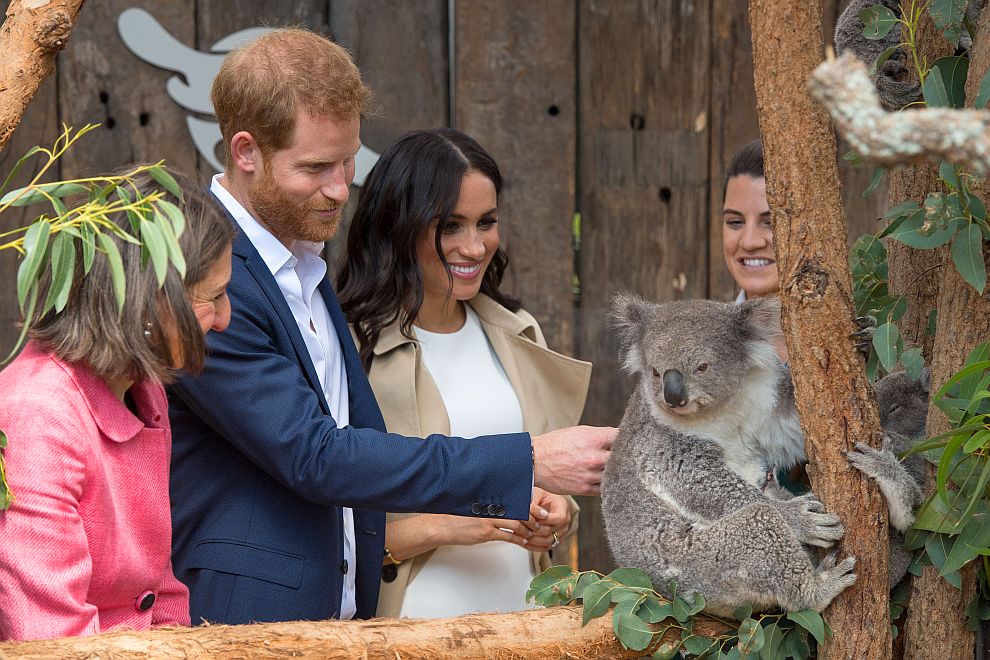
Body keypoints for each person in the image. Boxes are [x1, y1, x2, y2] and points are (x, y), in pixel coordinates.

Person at [166, 27, 614, 626]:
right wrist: (525, 460)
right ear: (245, 152)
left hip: (347, 619)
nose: (338, 188)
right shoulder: (208, 275)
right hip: (253, 619)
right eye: (316, 166)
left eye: (348, 160)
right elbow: (316, 456)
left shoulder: (302, 263)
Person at [337, 128, 589, 618]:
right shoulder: (351, 347)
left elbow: (547, 479)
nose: (474, 247)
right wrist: (441, 525)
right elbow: (328, 532)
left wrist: (555, 517)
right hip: (409, 633)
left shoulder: (518, 333)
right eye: (451, 226)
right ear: (400, 225)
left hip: (525, 627)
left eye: (486, 222)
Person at [0, 168, 235, 640]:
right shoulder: (39, 414)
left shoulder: (143, 390)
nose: (226, 318)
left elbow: (159, 591)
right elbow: (51, 638)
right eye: (213, 296)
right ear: (152, 302)